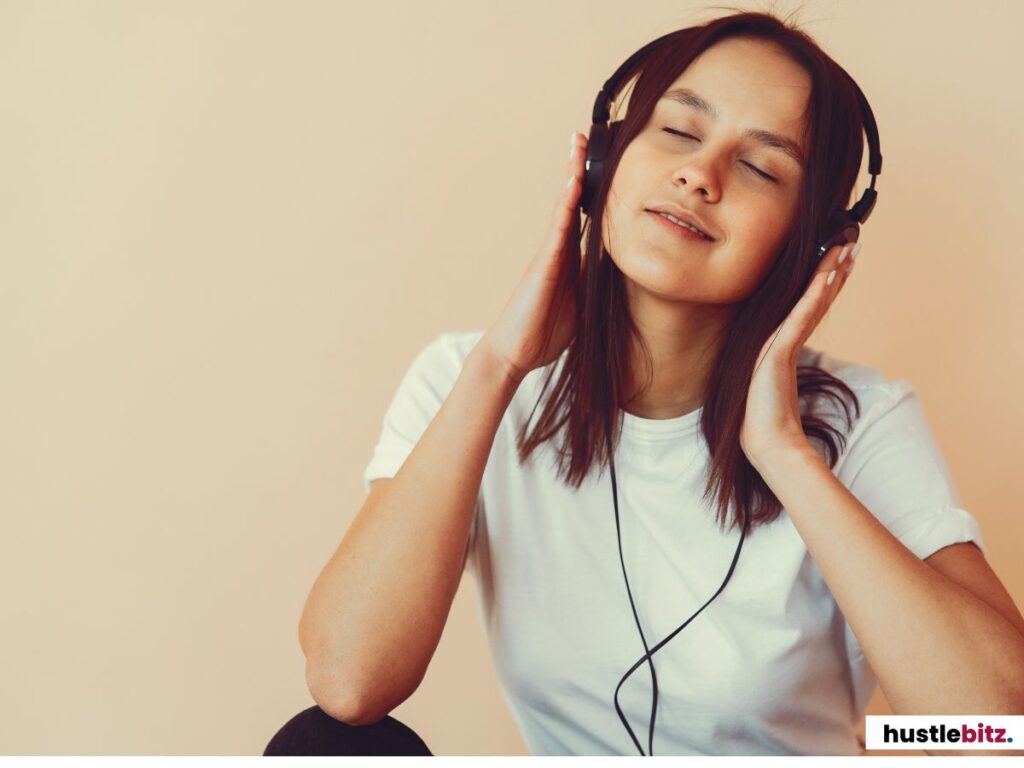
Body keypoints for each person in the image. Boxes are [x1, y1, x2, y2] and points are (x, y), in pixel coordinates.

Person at [272, 9, 1024, 757]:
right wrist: (499, 366)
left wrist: (784, 452)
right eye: (678, 131)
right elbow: (349, 683)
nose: (700, 175)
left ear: (815, 244)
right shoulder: (470, 378)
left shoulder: (859, 420)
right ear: (605, 158)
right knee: (321, 746)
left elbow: (997, 726)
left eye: (761, 167)